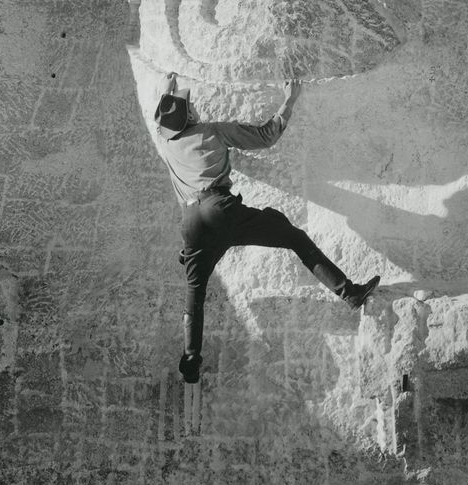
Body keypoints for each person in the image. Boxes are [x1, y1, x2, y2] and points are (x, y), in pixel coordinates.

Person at [153, 72, 380, 383]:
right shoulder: (213, 132)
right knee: (294, 237)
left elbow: (163, 122)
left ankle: (191, 359)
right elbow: (266, 136)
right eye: (191, 108)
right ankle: (349, 292)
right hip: (221, 210)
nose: (195, 110)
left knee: (196, 292)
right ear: (191, 115)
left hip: (191, 226)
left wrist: (168, 91)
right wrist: (290, 99)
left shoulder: (166, 143)